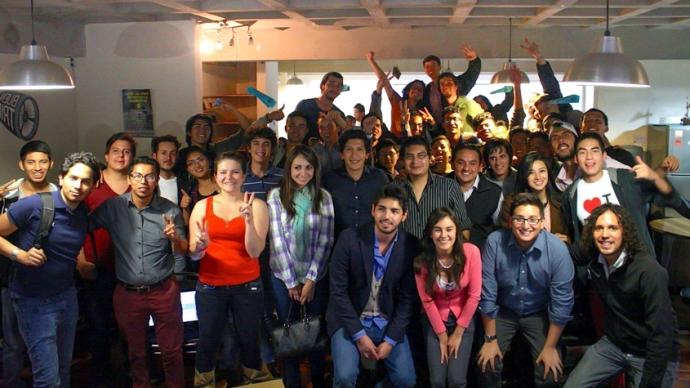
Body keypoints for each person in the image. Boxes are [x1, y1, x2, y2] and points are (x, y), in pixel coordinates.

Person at [0, 152, 99, 387]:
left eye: (86, 181)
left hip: (66, 297)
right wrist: (19, 254)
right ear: (62, 178)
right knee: (48, 378)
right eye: (74, 178)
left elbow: (71, 247)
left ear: (93, 185)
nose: (79, 185)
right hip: (32, 300)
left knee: (64, 370)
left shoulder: (83, 213)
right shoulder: (35, 204)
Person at [90, 156, 188, 388]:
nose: (143, 181)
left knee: (172, 352)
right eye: (137, 175)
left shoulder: (170, 210)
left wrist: (175, 239)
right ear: (130, 179)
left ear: (156, 180)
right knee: (136, 353)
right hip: (128, 293)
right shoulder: (114, 207)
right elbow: (84, 225)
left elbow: (183, 250)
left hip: (164, 290)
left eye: (150, 176)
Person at [565, 204, 679, 388]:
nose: (605, 234)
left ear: (625, 232)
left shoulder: (649, 271)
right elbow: (563, 255)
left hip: (651, 352)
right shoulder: (595, 255)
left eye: (613, 228)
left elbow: (661, 334)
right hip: (615, 345)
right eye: (598, 228)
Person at [188, 152, 270, 387]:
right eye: (223, 172)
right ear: (215, 177)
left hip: (248, 286)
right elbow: (194, 253)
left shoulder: (257, 205)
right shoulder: (202, 206)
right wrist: (199, 247)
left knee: (249, 340)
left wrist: (248, 221)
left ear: (244, 176)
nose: (229, 177)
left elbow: (255, 252)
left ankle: (255, 381)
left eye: (235, 172)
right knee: (208, 340)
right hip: (210, 285)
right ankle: (204, 383)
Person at [477, 193, 574, 388]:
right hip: (503, 311)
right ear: (510, 221)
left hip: (539, 312)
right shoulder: (494, 242)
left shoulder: (557, 249)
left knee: (549, 371)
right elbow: (487, 293)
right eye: (519, 219)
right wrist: (490, 339)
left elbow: (562, 303)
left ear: (541, 222)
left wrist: (550, 347)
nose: (526, 225)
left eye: (532, 219)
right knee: (487, 364)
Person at [327, 185, 419, 388]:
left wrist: (391, 340)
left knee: (406, 380)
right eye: (382, 209)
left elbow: (407, 300)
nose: (387, 216)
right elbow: (338, 292)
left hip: (388, 321)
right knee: (344, 376)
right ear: (372, 210)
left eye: (394, 211)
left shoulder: (411, 245)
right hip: (350, 320)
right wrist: (359, 336)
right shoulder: (349, 238)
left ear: (404, 215)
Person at [267, 145, 334, 388]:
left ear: (315, 169)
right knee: (289, 334)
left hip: (315, 277)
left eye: (308, 167)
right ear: (289, 169)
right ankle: (292, 382)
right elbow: (276, 239)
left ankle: (317, 380)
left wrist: (310, 280)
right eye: (297, 167)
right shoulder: (276, 196)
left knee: (313, 333)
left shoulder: (323, 197)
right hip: (282, 277)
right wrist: (291, 282)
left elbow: (326, 240)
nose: (302, 172)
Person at [561, 132, 689, 254]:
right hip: (599, 269)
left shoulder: (624, 179)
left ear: (604, 156)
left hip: (635, 264)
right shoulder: (571, 194)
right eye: (582, 152)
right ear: (576, 159)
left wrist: (655, 177)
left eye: (595, 151)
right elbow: (577, 236)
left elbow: (669, 197)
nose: (589, 157)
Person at [77, 132, 136, 386]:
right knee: (99, 327)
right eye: (116, 151)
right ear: (106, 156)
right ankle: (101, 378)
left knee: (129, 328)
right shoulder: (93, 184)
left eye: (126, 151)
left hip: (130, 269)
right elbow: (75, 225)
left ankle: (129, 376)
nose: (121, 155)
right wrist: (80, 261)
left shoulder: (140, 183)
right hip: (96, 268)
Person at [0, 140, 58, 388]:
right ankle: (11, 383)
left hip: (48, 278)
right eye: (31, 162)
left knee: (46, 340)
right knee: (13, 342)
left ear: (51, 164)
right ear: (21, 165)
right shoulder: (9, 197)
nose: (37, 167)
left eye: (43, 162)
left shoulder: (59, 193)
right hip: (11, 277)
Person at [414, 207, 481, 388]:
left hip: (463, 320)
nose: (444, 235)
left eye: (449, 229)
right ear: (430, 233)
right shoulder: (422, 260)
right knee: (437, 380)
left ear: (456, 231)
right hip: (435, 320)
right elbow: (426, 301)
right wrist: (442, 336)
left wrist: (458, 334)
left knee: (456, 380)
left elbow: (474, 296)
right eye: (438, 229)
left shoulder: (471, 252)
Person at [393, 136, 471, 240]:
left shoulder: (449, 187)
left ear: (430, 158)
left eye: (421, 156)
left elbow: (463, 227)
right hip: (403, 253)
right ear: (402, 161)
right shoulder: (393, 190)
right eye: (409, 157)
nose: (415, 161)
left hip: (440, 254)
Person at [323, 130, 388, 237]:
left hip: (373, 244)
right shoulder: (329, 180)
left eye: (359, 149)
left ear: (367, 154)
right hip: (339, 245)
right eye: (349, 149)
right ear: (342, 154)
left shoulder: (379, 178)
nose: (354, 155)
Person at [452, 144, 503, 250]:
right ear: (452, 164)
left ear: (481, 166)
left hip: (480, 255)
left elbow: (500, 230)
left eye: (472, 163)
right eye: (461, 163)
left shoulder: (494, 192)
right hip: (443, 255)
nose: (466, 168)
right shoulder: (439, 187)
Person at [514, 152, 568, 241]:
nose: (538, 177)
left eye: (542, 171)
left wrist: (567, 239)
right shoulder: (513, 203)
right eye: (531, 172)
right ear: (524, 176)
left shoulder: (560, 202)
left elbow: (570, 234)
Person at [421, 47, 481, 124]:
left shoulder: (453, 82)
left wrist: (474, 61)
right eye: (427, 66)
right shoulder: (427, 89)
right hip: (436, 128)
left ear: (439, 67)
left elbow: (470, 76)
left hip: (455, 123)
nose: (430, 69)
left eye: (433, 65)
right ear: (424, 70)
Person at [295, 72, 350, 139]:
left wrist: (342, 123)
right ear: (322, 86)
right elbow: (294, 128)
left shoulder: (339, 115)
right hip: (303, 148)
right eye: (331, 84)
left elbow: (345, 140)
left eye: (339, 85)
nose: (335, 88)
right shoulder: (304, 105)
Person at [182, 146, 218, 223]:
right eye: (191, 163)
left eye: (200, 160)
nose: (197, 165)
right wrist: (185, 209)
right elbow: (187, 224)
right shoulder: (190, 193)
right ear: (187, 169)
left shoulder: (224, 184)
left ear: (209, 161)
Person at [152, 134, 182, 204]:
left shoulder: (184, 182)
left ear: (177, 156)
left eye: (173, 153)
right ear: (154, 156)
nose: (168, 158)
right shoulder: (147, 181)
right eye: (163, 153)